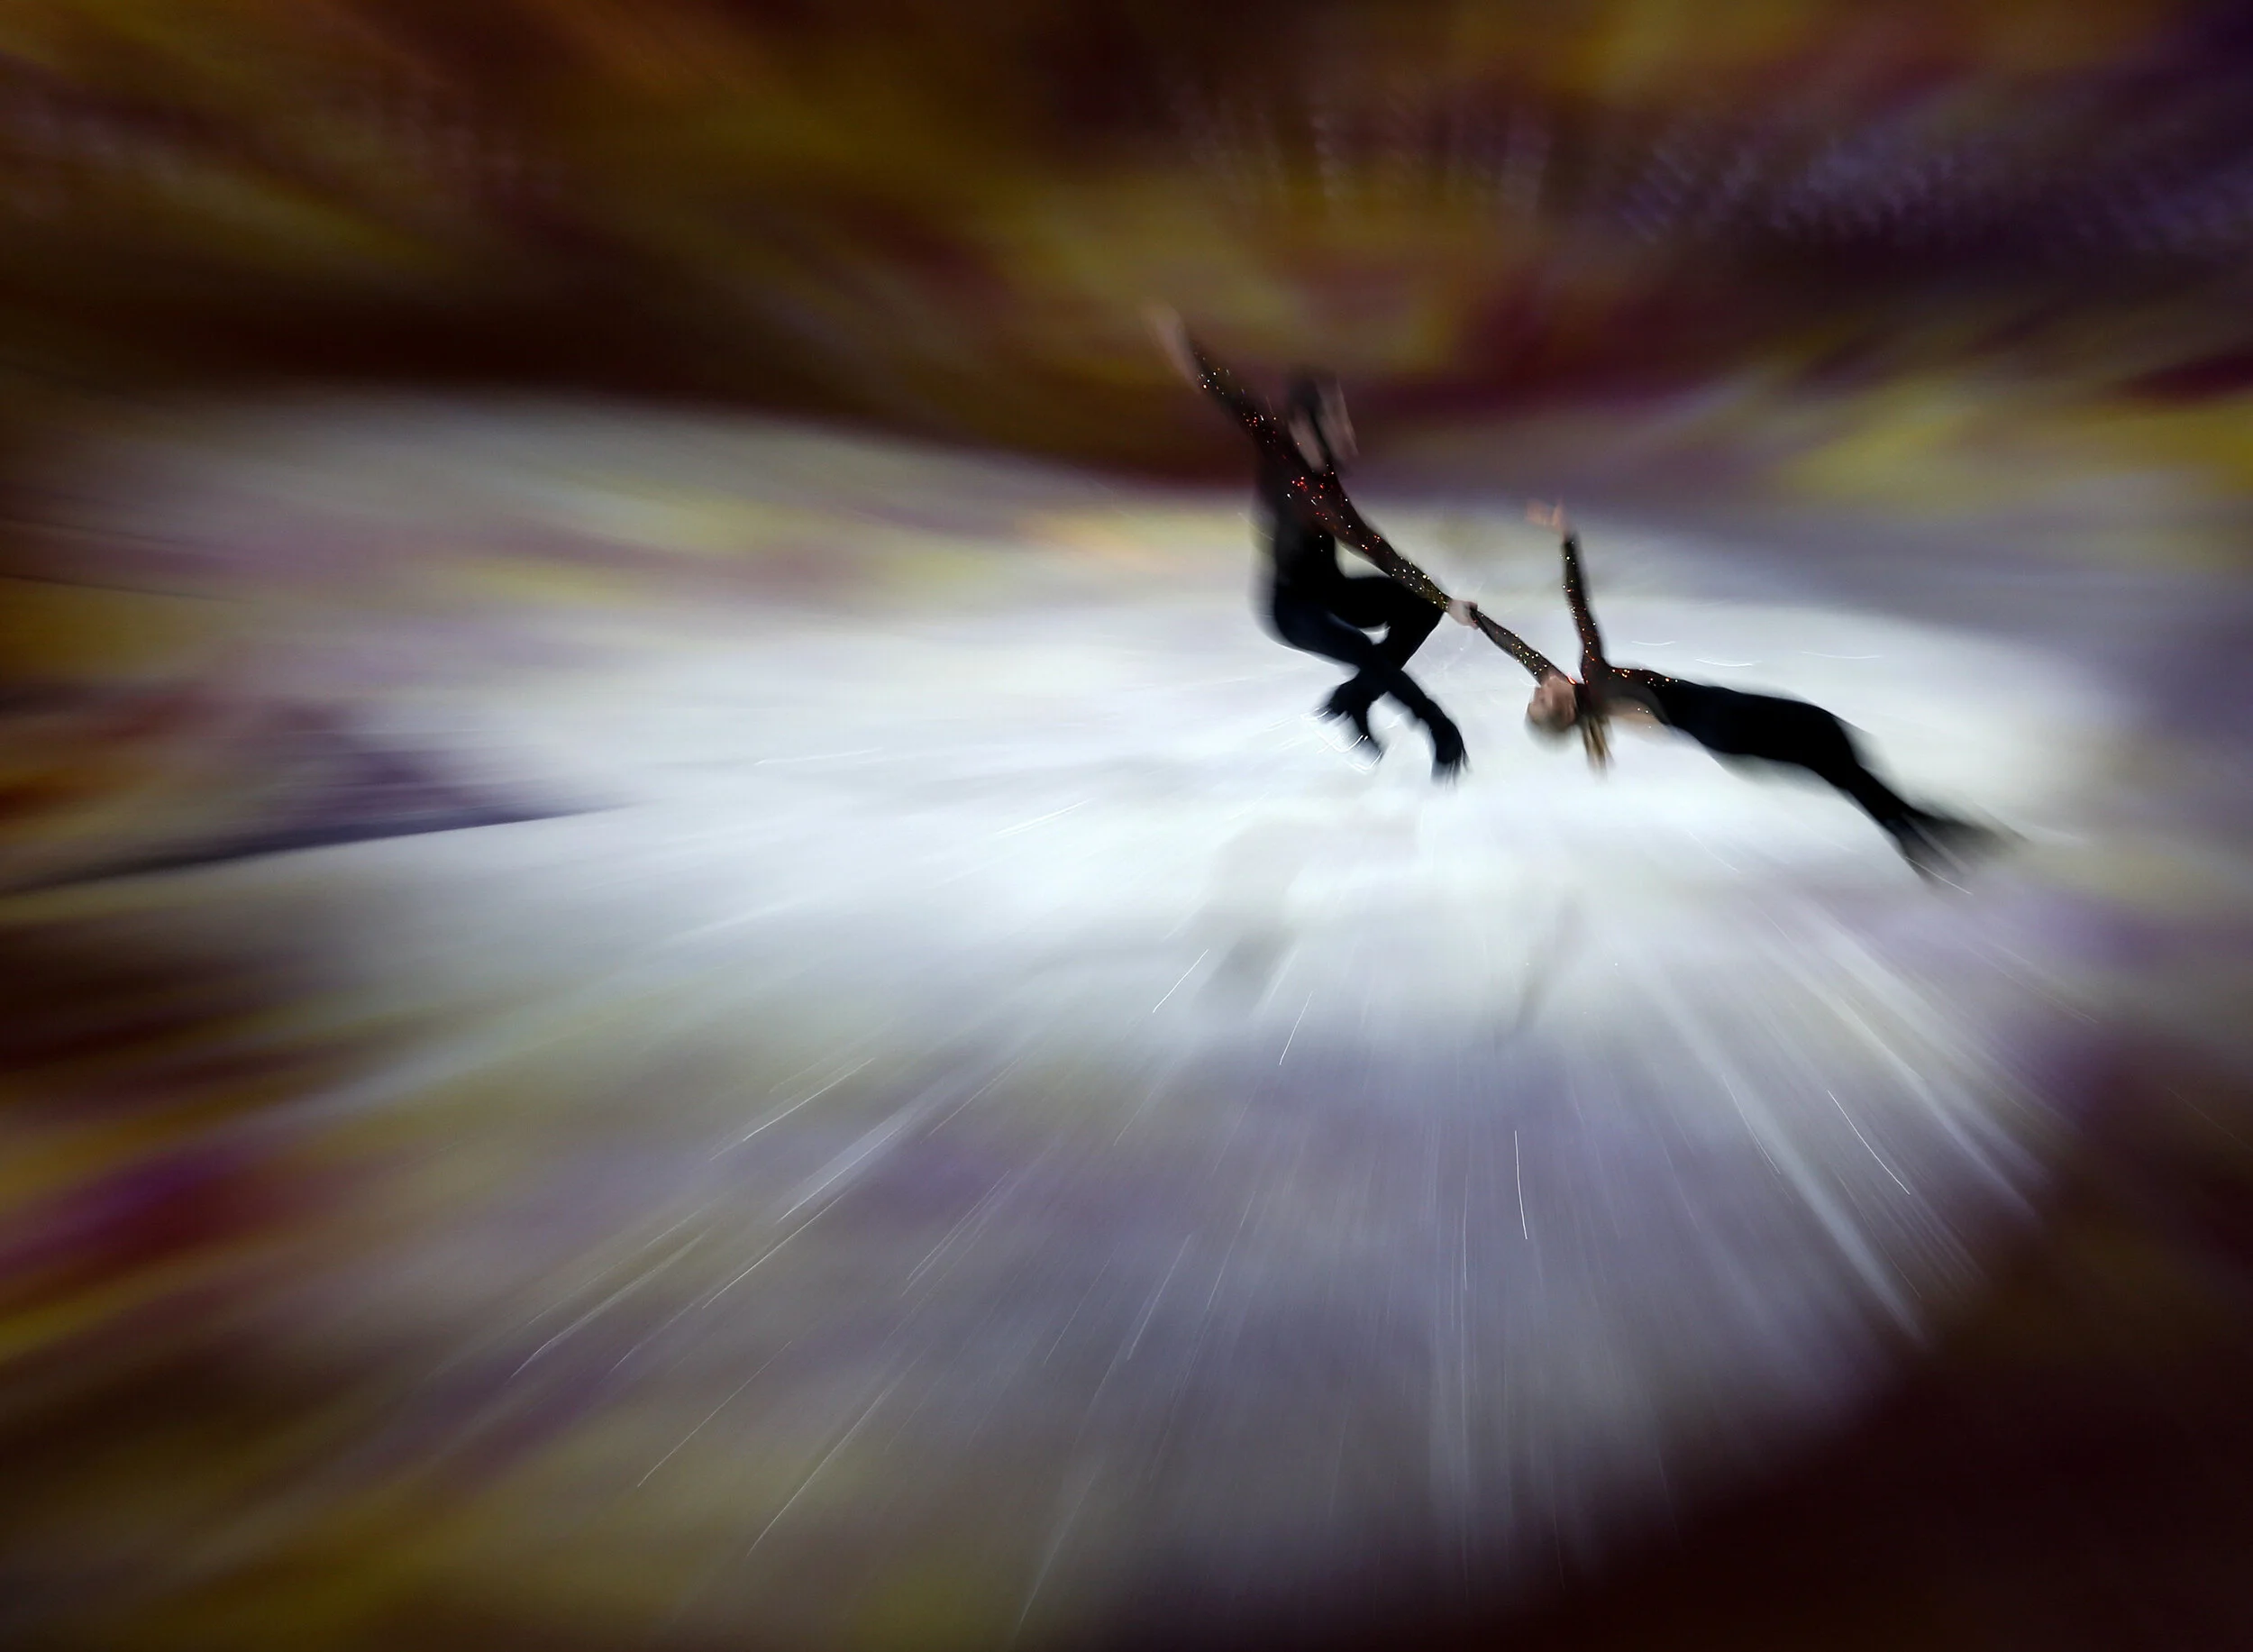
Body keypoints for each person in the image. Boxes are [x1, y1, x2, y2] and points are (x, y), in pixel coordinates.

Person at [1460, 503, 1996, 878]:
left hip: (1725, 735)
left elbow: (1520, 650)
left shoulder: (1587, 695)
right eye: (1542, 697)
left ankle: (1915, 834)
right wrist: (1567, 540)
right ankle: (1920, 831)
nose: (1540, 683)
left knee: (1841, 768)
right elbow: (1579, 607)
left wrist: (1479, 621)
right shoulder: (1596, 679)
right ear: (1566, 706)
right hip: (1731, 719)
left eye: (1536, 690)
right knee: (1834, 744)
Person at [1148, 306, 1468, 779]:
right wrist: (1445, 597)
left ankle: (1353, 700)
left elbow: (1228, 393)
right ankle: (1436, 727)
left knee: (1420, 606)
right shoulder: (1311, 492)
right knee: (1363, 646)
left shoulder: (1287, 448)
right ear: (1305, 423)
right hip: (1292, 610)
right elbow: (1379, 551)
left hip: (1331, 591)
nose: (1347, 427)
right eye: (1335, 416)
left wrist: (1185, 346)